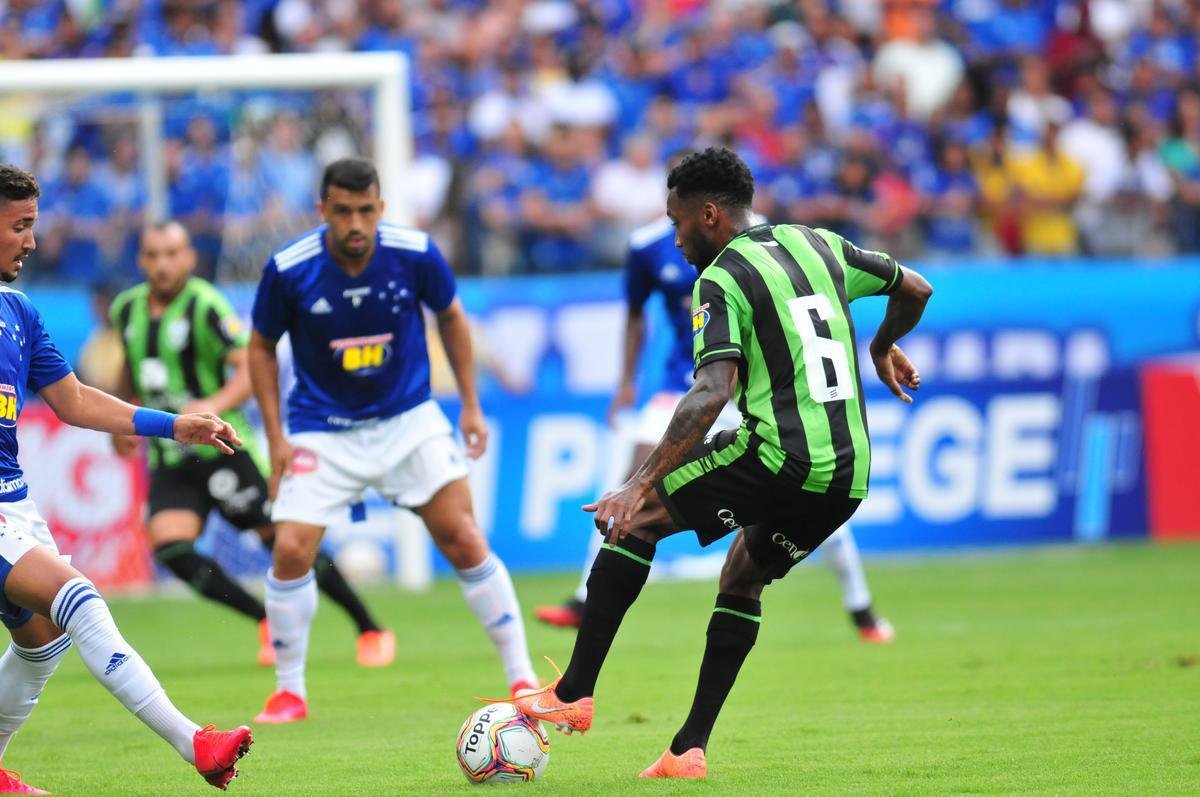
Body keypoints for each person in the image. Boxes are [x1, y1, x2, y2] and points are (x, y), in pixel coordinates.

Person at [511, 148, 931, 778]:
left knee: (634, 520)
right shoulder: (819, 244)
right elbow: (916, 287)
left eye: (678, 222)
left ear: (709, 215)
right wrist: (882, 344)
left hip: (780, 453)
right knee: (741, 578)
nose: (676, 239)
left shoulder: (723, 277)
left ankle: (571, 695)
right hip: (848, 476)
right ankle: (686, 751)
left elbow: (711, 392)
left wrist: (638, 483)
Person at [247, 157, 537, 725]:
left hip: (407, 419)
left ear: (380, 208)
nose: (355, 223)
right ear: (323, 211)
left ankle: (522, 675)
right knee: (289, 550)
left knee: (463, 536)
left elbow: (451, 317)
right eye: (343, 211)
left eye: (365, 211)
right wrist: (276, 437)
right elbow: (260, 346)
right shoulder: (290, 268)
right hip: (321, 428)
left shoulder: (414, 252)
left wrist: (472, 404)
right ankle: (289, 692)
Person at [0, 164, 253, 793]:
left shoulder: (18, 312)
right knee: (79, 599)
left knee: (44, 643)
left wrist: (174, 426)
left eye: (34, 224)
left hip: (14, 501)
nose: (32, 241)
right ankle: (194, 742)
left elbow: (76, 400)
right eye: (20, 226)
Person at [533, 211, 895, 643]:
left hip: (754, 388)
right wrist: (627, 383)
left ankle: (861, 606)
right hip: (683, 388)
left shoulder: (761, 234)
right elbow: (635, 314)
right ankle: (584, 599)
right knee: (630, 484)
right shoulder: (646, 246)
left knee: (809, 497)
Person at [108, 220, 394, 670]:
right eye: (152, 255)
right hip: (170, 455)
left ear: (188, 258)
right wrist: (122, 420)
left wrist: (213, 405)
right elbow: (131, 366)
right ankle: (264, 621)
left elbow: (250, 367)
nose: (162, 265)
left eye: (171, 254)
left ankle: (370, 628)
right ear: (141, 260)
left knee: (285, 544)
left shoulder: (205, 306)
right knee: (170, 546)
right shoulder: (126, 309)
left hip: (224, 449)